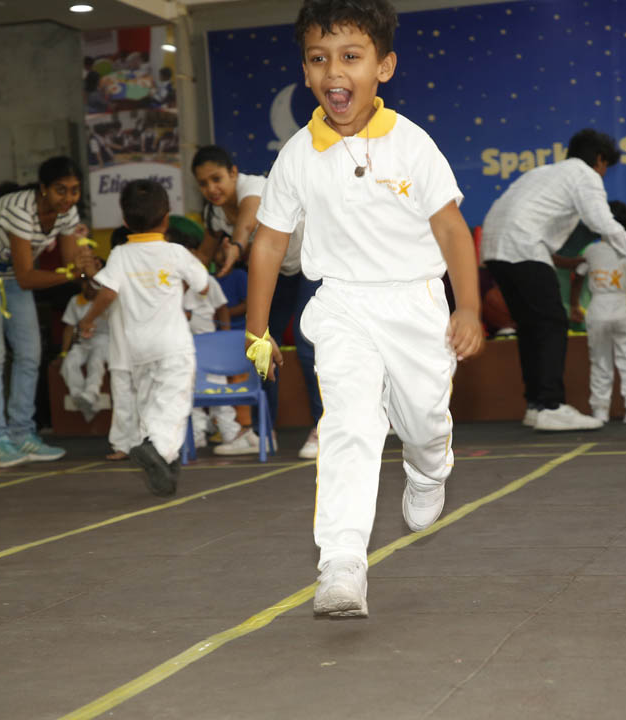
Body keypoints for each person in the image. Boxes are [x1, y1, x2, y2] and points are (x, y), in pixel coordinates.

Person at [244, 0, 484, 618]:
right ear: (305, 71)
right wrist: (257, 329)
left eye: (350, 56)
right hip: (342, 304)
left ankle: (429, 470)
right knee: (348, 427)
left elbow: (452, 230)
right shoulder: (298, 154)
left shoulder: (412, 144)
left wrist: (468, 308)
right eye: (319, 59)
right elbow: (269, 242)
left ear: (384, 66)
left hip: (416, 302)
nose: (334, 72)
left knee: (424, 420)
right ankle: (342, 563)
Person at [0, 156, 96, 468]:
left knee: (30, 352)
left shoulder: (67, 213)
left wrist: (84, 267)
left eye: (74, 190)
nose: (68, 198)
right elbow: (28, 277)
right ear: (43, 188)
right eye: (60, 190)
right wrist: (73, 274)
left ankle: (23, 433)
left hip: (12, 272)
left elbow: (70, 265)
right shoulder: (20, 210)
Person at [481, 129, 626, 431]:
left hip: (495, 250)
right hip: (523, 248)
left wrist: (567, 261)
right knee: (551, 323)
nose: (604, 174)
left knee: (531, 328)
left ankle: (536, 406)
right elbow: (600, 220)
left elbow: (530, 220)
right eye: (605, 167)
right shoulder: (585, 174)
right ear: (600, 159)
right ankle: (551, 405)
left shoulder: (543, 173)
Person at [79, 180, 208, 497]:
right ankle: (156, 449)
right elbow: (203, 284)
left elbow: (107, 293)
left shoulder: (120, 255)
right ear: (167, 218)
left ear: (125, 221)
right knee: (174, 404)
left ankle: (166, 464)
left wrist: (88, 318)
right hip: (173, 345)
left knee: (150, 405)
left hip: (137, 349)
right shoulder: (175, 253)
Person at [193, 145, 322, 458]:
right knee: (260, 342)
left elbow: (248, 222)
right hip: (281, 271)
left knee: (307, 343)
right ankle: (263, 432)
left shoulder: (254, 187)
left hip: (314, 262)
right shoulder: (214, 212)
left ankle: (325, 428)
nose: (211, 188)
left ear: (233, 173)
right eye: (203, 183)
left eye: (217, 179)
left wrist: (237, 247)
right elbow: (202, 257)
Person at [166, 214, 256, 453]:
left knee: (217, 390)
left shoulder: (207, 281)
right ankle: (196, 436)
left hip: (210, 348)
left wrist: (223, 337)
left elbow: (222, 308)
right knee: (189, 393)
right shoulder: (169, 284)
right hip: (183, 347)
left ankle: (231, 434)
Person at [570, 235, 626, 424]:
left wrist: (574, 304)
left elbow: (577, 277)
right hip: (625, 307)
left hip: (598, 308)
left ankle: (600, 410)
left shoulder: (591, 250)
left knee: (600, 361)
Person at [59, 275, 109, 423]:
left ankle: (91, 394)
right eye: (86, 283)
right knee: (69, 362)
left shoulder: (107, 300)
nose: (89, 287)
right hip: (83, 342)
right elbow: (69, 328)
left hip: (104, 341)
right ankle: (80, 397)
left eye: (93, 284)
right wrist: (63, 352)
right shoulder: (75, 301)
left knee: (95, 361)